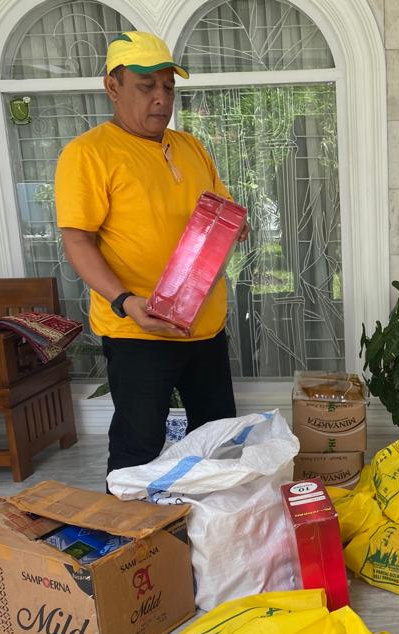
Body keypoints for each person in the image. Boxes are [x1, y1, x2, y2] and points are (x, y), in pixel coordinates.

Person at [55, 31, 247, 476]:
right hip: (139, 331)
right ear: (112, 86)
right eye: (146, 86)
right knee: (137, 448)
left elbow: (220, 209)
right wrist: (125, 303)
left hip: (204, 328)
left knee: (215, 443)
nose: (161, 98)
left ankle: (206, 536)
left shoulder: (190, 146)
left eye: (168, 86)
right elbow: (77, 240)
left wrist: (234, 226)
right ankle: (132, 542)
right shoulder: (88, 154)